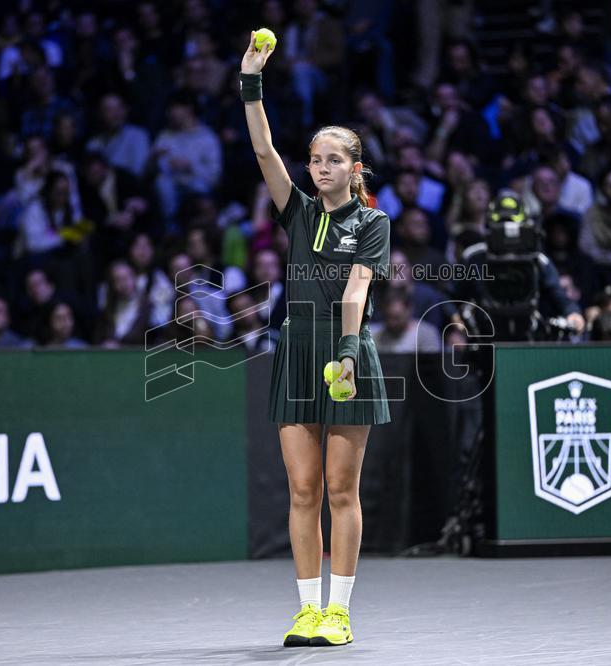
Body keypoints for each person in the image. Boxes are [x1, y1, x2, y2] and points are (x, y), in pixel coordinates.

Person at [241, 32, 391, 648]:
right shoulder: (298, 212)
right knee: (302, 489)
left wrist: (350, 355)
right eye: (315, 159)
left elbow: (357, 292)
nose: (318, 167)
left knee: (340, 489)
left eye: (332, 160)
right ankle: (308, 610)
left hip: (346, 354)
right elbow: (265, 152)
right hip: (296, 353)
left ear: (354, 169)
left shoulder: (373, 223)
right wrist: (251, 80)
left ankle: (341, 612)